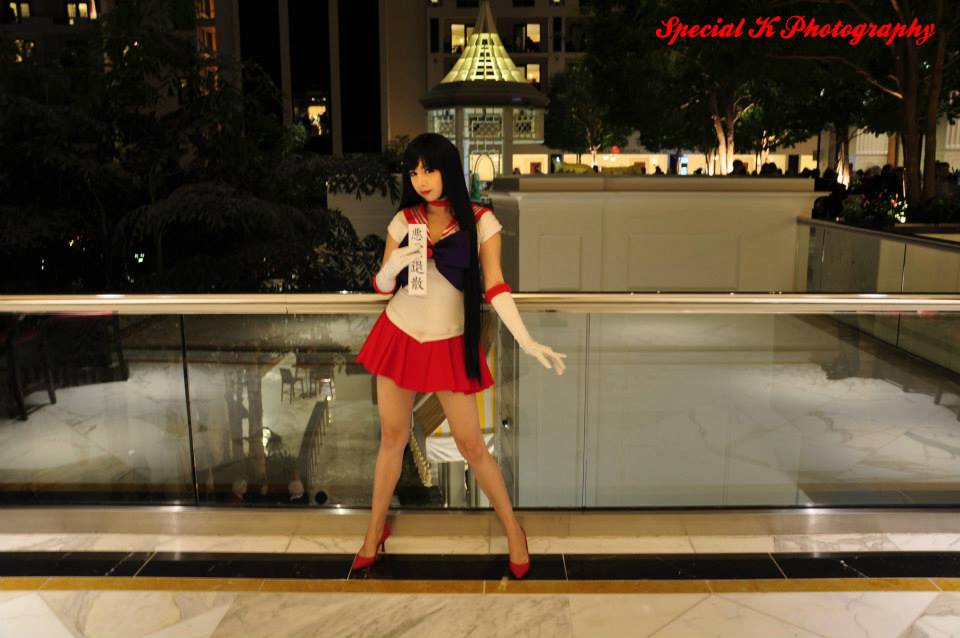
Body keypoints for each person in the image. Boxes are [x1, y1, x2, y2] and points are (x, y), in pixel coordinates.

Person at [353, 133, 566, 579]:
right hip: (398, 334)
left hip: (449, 342)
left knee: (472, 445)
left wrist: (526, 340)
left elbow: (495, 285)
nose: (421, 179)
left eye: (429, 169)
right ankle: (374, 531)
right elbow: (382, 286)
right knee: (392, 438)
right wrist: (393, 266)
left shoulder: (482, 221)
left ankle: (514, 531)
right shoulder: (403, 219)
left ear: (448, 168)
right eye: (414, 171)